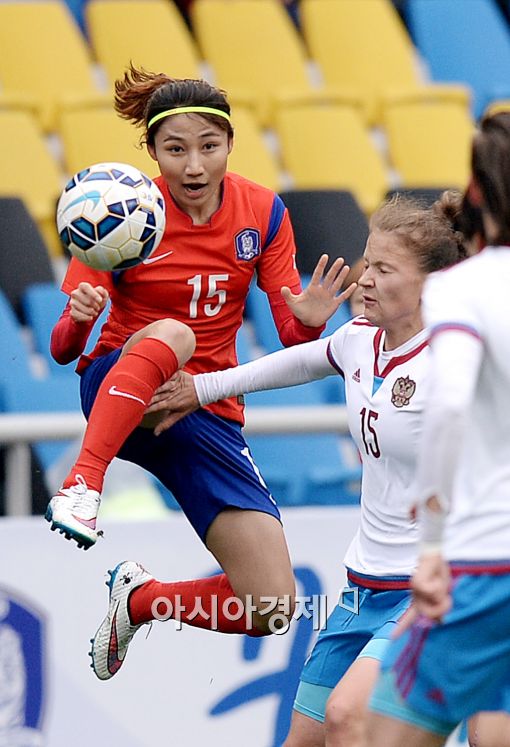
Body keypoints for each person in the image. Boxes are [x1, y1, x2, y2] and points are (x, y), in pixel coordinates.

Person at [47, 64, 354, 678]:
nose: (193, 166)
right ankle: (83, 484)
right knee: (175, 335)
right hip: (118, 386)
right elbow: (61, 347)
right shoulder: (123, 205)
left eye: (208, 147)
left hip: (204, 407)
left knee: (273, 603)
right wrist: (80, 319)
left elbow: (291, 333)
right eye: (175, 149)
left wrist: (312, 318)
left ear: (230, 144)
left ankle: (140, 600)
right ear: (152, 151)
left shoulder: (262, 212)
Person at [143, 193, 467, 747]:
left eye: (384, 269)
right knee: (304, 738)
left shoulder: (454, 362)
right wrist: (201, 388)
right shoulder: (359, 341)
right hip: (363, 587)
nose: (364, 279)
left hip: (430, 590)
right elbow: (293, 363)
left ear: (429, 287)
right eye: (367, 260)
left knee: (347, 716)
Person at [364, 111, 510, 747]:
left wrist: (430, 547)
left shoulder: (461, 288)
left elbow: (448, 406)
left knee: (382, 735)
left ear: (476, 193)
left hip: (487, 563)